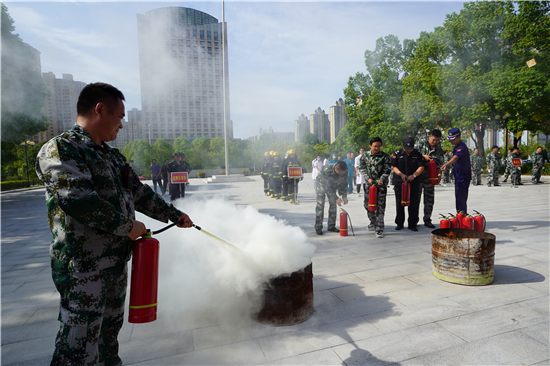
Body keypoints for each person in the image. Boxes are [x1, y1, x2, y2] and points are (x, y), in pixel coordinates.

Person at [35, 82, 193, 366]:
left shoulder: (110, 156)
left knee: (108, 339)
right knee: (78, 346)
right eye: (119, 117)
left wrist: (173, 214)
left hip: (115, 264)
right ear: (100, 110)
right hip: (82, 267)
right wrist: (128, 227)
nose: (121, 125)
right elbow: (78, 199)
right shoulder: (61, 149)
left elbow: (139, 192)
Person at [359, 137, 392, 238]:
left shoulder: (385, 156)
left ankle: (379, 228)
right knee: (367, 205)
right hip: (369, 185)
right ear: (370, 146)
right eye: (375, 146)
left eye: (379, 146)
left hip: (380, 186)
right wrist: (367, 178)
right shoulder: (364, 156)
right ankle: (373, 221)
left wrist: (382, 179)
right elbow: (362, 168)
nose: (377, 148)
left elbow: (387, 169)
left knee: (380, 207)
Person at [391, 137, 426, 231]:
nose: (408, 150)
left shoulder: (417, 153)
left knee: (414, 203)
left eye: (410, 148)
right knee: (399, 203)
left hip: (413, 182)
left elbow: (421, 167)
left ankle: (412, 224)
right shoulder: (397, 154)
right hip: (400, 181)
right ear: (403, 145)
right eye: (406, 148)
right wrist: (401, 174)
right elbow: (394, 167)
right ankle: (399, 223)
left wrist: (414, 175)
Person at [416, 129, 445, 228]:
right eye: (433, 140)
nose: (435, 142)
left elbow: (440, 165)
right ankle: (414, 220)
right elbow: (412, 156)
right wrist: (422, 156)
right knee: (416, 199)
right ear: (429, 137)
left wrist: (439, 176)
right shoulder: (419, 145)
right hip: (418, 177)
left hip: (430, 178)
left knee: (429, 200)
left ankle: (427, 219)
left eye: (437, 140)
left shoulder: (439, 150)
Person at [441, 128, 471, 213]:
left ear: (459, 137)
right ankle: (460, 213)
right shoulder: (456, 147)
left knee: (461, 196)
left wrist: (446, 164)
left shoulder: (461, 147)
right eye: (450, 139)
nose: (451, 141)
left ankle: (462, 214)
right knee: (458, 196)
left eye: (453, 139)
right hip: (458, 175)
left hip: (463, 176)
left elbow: (455, 158)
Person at [314, 161, 349, 235]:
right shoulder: (327, 170)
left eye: (343, 172)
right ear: (336, 168)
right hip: (321, 184)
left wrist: (344, 196)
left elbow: (343, 183)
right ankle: (318, 227)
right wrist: (336, 197)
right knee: (320, 205)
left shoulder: (345, 171)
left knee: (333, 204)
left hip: (332, 185)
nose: (341, 174)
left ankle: (331, 225)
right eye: (340, 173)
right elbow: (327, 187)